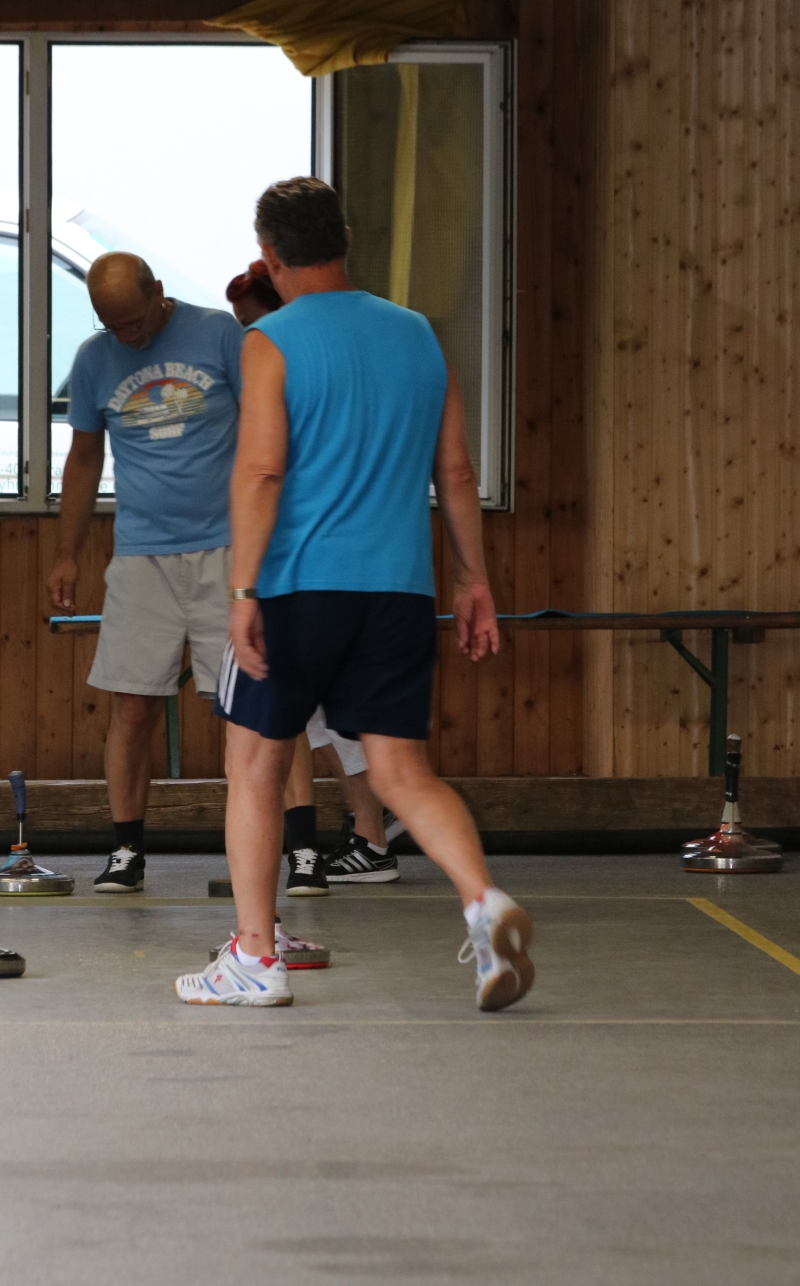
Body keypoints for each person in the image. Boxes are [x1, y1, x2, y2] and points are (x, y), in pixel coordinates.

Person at [176, 178, 534, 1010]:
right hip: (397, 588)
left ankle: (253, 958)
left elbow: (261, 472)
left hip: (296, 586)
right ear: (344, 239)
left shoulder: (269, 340)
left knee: (254, 765)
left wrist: (242, 589)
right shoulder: (416, 333)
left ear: (269, 255)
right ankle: (484, 903)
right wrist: (473, 578)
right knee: (401, 770)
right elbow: (455, 472)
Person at [47, 252, 243, 892]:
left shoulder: (219, 334)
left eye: (132, 321)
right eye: (111, 325)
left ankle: (280, 846)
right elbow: (82, 460)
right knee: (132, 705)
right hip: (141, 554)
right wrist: (67, 553)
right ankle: (126, 849)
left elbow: (271, 431)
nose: (125, 335)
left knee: (245, 707)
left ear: (158, 291)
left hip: (227, 548)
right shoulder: (94, 359)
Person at [225, 260, 401, 892]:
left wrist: (245, 589)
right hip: (379, 568)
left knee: (302, 733)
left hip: (310, 569)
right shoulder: (384, 342)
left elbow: (266, 475)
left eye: (253, 321)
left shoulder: (286, 358)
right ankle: (376, 837)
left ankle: (369, 837)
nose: (249, 334)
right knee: (341, 727)